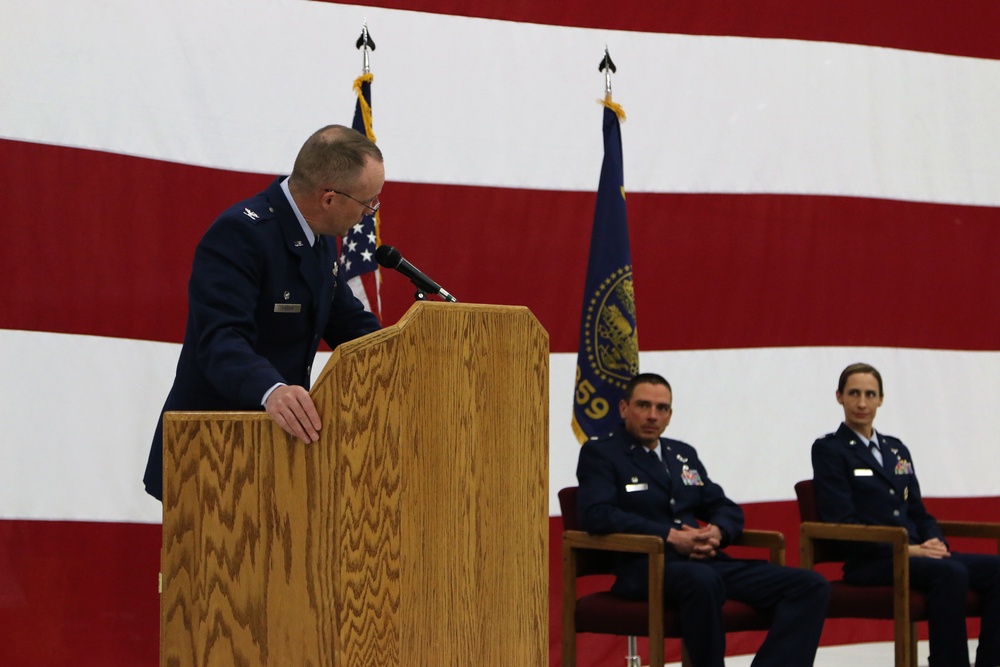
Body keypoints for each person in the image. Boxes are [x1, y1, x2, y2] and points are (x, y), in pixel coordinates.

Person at [143, 125, 384, 500]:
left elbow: (348, 323)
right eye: (369, 202)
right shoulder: (240, 233)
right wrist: (271, 390)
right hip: (213, 451)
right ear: (330, 198)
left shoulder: (318, 236)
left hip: (275, 449)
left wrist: (407, 352)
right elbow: (220, 338)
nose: (370, 213)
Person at [576, 372, 829, 667]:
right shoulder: (602, 453)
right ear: (623, 408)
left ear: (670, 414)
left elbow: (723, 505)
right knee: (703, 580)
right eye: (643, 405)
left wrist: (718, 532)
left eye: (662, 408)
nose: (652, 416)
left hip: (703, 561)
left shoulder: (681, 454)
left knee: (811, 585)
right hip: (644, 568)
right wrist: (670, 536)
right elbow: (597, 515)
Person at [811, 362, 1000, 667]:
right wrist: (909, 549)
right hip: (871, 561)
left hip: (917, 554)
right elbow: (841, 521)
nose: (862, 403)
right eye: (854, 393)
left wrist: (936, 542)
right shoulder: (829, 450)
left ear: (881, 400)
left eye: (870, 394)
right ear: (839, 397)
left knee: (996, 570)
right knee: (951, 573)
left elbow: (918, 512)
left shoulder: (896, 450)